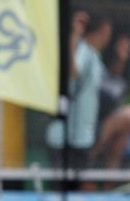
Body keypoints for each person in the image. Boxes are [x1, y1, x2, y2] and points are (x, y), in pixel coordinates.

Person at [45, 10, 113, 181]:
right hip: (67, 137)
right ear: (103, 30)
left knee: (79, 187)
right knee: (68, 187)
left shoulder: (94, 56)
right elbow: (73, 73)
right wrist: (75, 34)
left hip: (82, 137)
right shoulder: (83, 50)